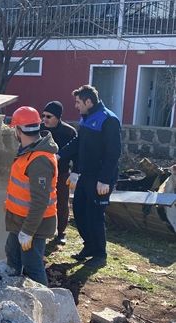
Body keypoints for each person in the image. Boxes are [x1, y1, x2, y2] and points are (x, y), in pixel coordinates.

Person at [58, 85, 121, 268]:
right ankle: (89, 246)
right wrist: (60, 154)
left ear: (88, 101)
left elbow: (113, 153)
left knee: (95, 215)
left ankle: (100, 254)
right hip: (86, 175)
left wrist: (105, 180)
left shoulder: (109, 120)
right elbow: (78, 142)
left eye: (78, 102)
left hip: (100, 177)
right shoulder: (87, 117)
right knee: (79, 210)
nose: (76, 106)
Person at [3, 106, 59, 285]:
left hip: (34, 224)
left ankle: (44, 303)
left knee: (32, 265)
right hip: (19, 220)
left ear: (19, 130)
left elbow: (40, 201)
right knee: (12, 254)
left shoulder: (39, 160)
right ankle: (12, 291)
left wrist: (28, 232)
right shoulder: (28, 152)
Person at [40, 101, 77, 245]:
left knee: (62, 202)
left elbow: (76, 154)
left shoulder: (69, 132)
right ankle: (41, 231)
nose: (45, 119)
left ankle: (61, 232)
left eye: (49, 116)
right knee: (41, 201)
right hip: (43, 172)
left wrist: (75, 172)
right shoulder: (40, 129)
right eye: (43, 116)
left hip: (61, 172)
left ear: (58, 117)